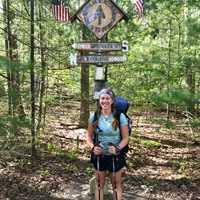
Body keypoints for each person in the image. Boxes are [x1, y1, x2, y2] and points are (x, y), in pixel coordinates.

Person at [86, 88, 129, 200]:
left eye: (107, 98)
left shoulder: (120, 117)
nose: (105, 101)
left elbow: (125, 138)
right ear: (99, 100)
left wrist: (117, 148)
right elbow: (89, 136)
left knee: (116, 185)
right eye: (102, 98)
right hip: (99, 156)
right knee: (99, 185)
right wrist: (93, 147)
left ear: (112, 101)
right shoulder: (94, 116)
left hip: (116, 156)